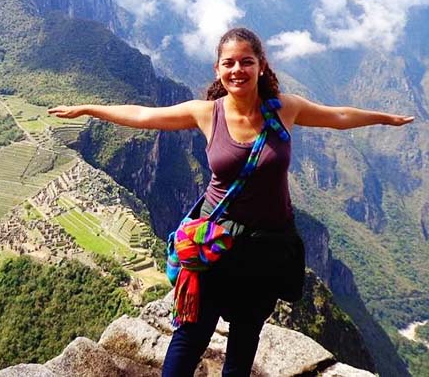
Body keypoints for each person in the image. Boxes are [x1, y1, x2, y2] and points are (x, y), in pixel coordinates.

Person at [47, 27, 413, 376]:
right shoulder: (208, 113)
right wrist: (88, 109)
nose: (237, 70)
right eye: (229, 63)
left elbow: (338, 116)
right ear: (218, 69)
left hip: (267, 247)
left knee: (244, 340)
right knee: (192, 334)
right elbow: (144, 117)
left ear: (260, 65)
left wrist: (384, 119)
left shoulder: (285, 108)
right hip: (215, 244)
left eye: (246, 61)